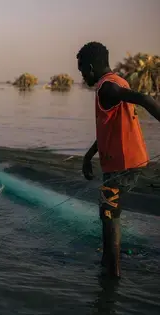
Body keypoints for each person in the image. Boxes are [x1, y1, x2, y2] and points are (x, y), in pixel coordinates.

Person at [77, 42, 160, 278]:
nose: (83, 76)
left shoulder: (107, 88)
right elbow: (109, 127)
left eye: (83, 70)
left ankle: (112, 273)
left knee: (109, 212)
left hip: (122, 165)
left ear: (91, 67)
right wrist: (89, 155)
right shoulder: (117, 81)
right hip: (128, 161)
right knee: (108, 210)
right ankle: (107, 261)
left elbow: (143, 98)